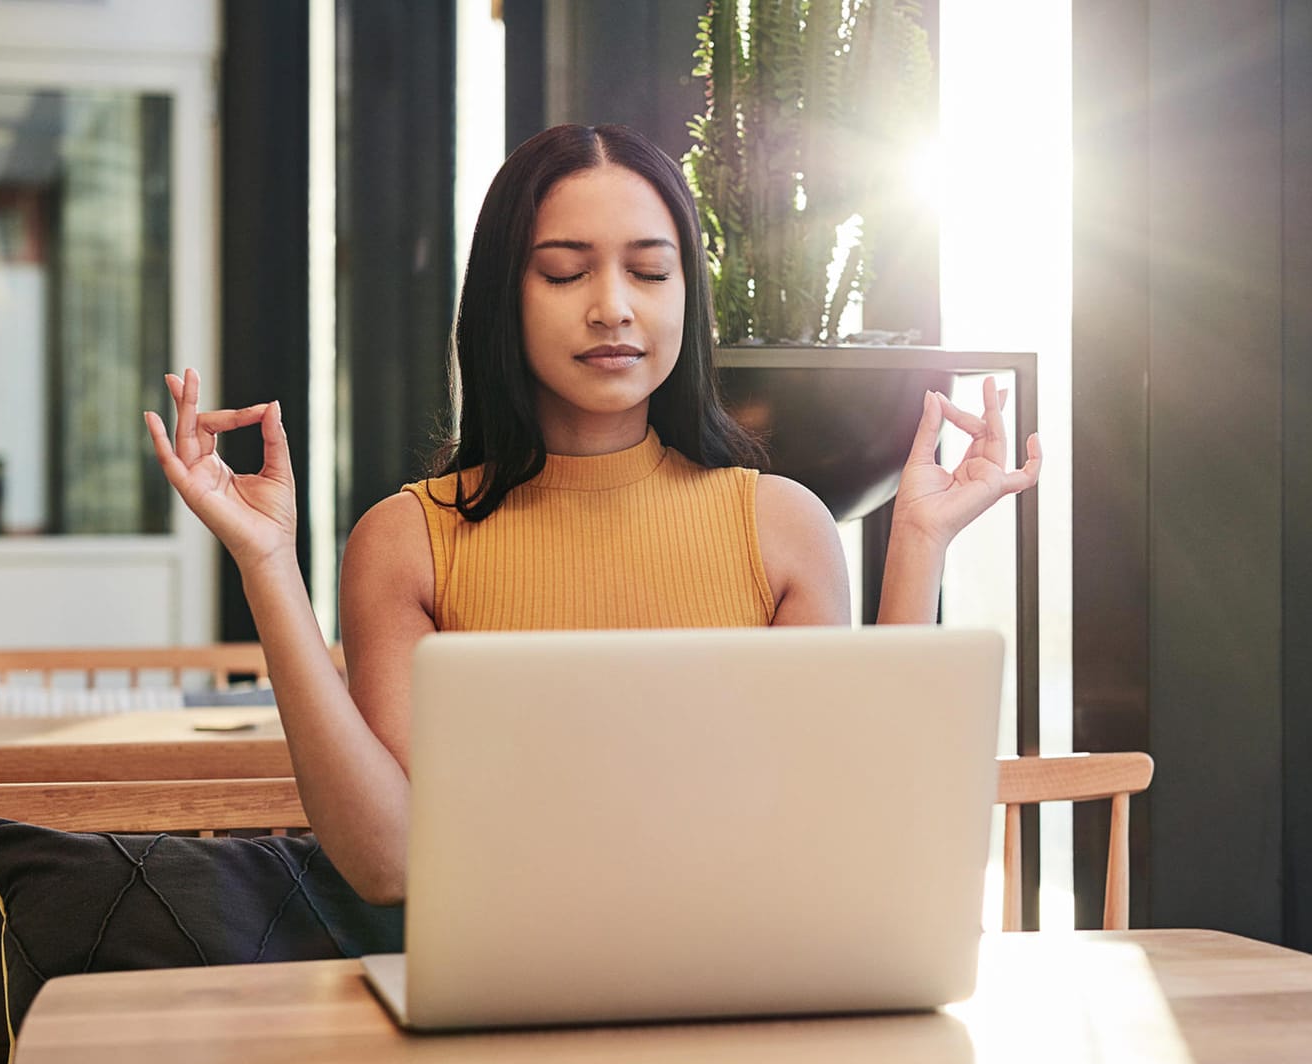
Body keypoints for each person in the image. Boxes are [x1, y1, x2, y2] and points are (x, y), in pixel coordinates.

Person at [145, 123, 1039, 907]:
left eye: (651, 270)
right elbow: (390, 865)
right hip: (500, 1008)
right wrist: (266, 564)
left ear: (687, 295)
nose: (613, 306)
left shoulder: (781, 526)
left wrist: (919, 543)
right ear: (505, 296)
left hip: (745, 988)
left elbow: (850, 825)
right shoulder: (409, 540)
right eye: (566, 272)